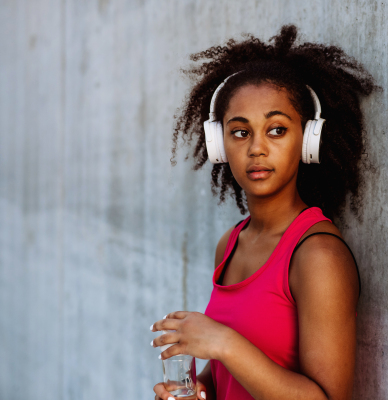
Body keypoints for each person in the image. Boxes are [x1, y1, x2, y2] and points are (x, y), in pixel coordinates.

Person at [150, 25, 376, 400]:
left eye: (276, 130)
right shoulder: (232, 244)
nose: (257, 148)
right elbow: (228, 376)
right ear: (219, 144)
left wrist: (223, 342)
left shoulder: (318, 256)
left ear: (307, 140)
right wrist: (196, 391)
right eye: (240, 132)